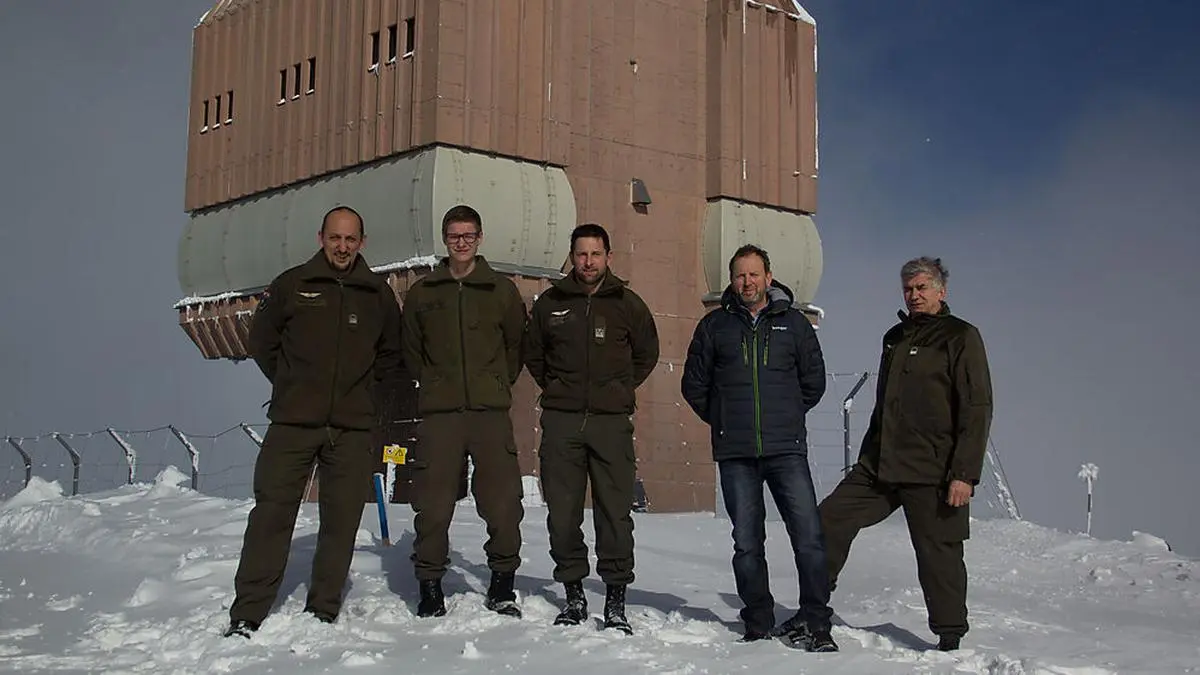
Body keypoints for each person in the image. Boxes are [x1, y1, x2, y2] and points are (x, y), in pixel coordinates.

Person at [225, 205, 403, 638]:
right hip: (293, 422)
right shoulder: (292, 285)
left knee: (341, 520)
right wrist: (292, 386)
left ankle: (323, 608)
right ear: (321, 238)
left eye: (350, 239)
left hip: (351, 427)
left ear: (362, 242)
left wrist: (363, 397)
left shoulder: (376, 294)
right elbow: (262, 342)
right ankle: (248, 611)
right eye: (335, 238)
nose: (342, 247)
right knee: (271, 514)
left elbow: (391, 355)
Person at [818, 256, 993, 652]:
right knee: (828, 519)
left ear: (941, 291)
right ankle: (814, 605)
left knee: (938, 553)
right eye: (908, 289)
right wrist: (869, 455)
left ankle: (949, 635)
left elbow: (977, 407)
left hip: (933, 469)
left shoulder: (960, 336)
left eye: (921, 288)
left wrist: (963, 473)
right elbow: (885, 405)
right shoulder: (894, 337)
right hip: (879, 466)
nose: (914, 295)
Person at [680, 244, 837, 651]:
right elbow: (694, 385)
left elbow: (814, 382)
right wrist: (725, 419)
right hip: (736, 454)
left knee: (808, 538)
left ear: (769, 277)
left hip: (787, 450)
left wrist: (785, 415)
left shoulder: (794, 324)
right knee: (747, 543)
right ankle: (758, 622)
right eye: (740, 275)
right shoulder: (715, 326)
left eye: (754, 274)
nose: (747, 282)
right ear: (731, 281)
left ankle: (817, 621)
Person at [523, 223, 660, 634]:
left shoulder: (627, 304)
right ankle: (574, 596)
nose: (588, 262)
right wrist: (559, 388)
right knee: (563, 514)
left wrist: (618, 389)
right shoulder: (551, 304)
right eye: (581, 254)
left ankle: (616, 601)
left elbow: (647, 353)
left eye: (595, 254)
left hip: (610, 424)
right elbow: (534, 354)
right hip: (562, 422)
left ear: (608, 257)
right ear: (572, 257)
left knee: (614, 514)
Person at [401, 204, 528, 619]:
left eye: (468, 235)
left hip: (489, 413)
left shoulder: (500, 290)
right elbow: (411, 350)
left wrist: (495, 383)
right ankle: (430, 585)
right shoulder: (423, 293)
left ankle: (502, 584)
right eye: (454, 236)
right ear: (445, 239)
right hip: (441, 414)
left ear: (479, 238)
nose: (461, 242)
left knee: (503, 501)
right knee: (433, 504)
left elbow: (516, 346)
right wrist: (435, 384)